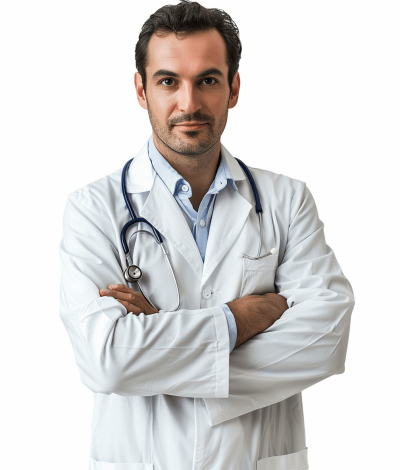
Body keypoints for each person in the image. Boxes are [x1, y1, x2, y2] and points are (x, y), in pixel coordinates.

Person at [59, 1, 355, 469]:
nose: (189, 103)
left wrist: (157, 340)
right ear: (141, 89)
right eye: (168, 81)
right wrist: (241, 318)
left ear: (233, 88)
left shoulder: (287, 200)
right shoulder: (93, 210)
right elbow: (106, 359)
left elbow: (327, 339)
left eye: (208, 80)